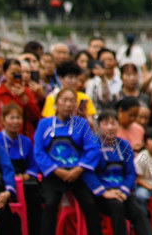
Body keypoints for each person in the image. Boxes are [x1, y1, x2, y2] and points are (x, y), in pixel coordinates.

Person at [34, 87, 101, 235]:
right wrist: (56, 170)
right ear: (56, 103)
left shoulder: (81, 124)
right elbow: (38, 152)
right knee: (50, 205)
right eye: (64, 100)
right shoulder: (44, 124)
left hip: (77, 174)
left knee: (90, 204)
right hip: (53, 174)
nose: (68, 104)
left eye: (72, 101)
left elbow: (94, 148)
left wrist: (78, 169)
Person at [90, 110, 152, 235]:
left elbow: (130, 172)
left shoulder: (124, 145)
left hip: (121, 192)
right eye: (106, 124)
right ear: (99, 126)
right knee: (117, 207)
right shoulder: (93, 144)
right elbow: (88, 172)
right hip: (102, 194)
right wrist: (104, 192)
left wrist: (124, 191)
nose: (110, 127)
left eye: (113, 123)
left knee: (138, 212)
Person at [0, 103, 42, 235]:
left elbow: (33, 164)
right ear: (3, 121)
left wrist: (27, 174)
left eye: (18, 118)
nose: (15, 121)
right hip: (4, 181)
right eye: (11, 118)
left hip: (24, 182)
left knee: (35, 199)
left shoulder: (26, 141)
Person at [0, 59, 41, 138]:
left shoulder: (27, 92)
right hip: (3, 139)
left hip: (24, 138)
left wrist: (24, 98)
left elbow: (36, 116)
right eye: (13, 73)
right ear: (4, 74)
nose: (16, 76)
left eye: (19, 73)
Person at [85, 49, 122, 113]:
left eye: (110, 60)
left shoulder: (121, 81)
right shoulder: (92, 83)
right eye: (103, 60)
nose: (107, 63)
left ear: (115, 62)